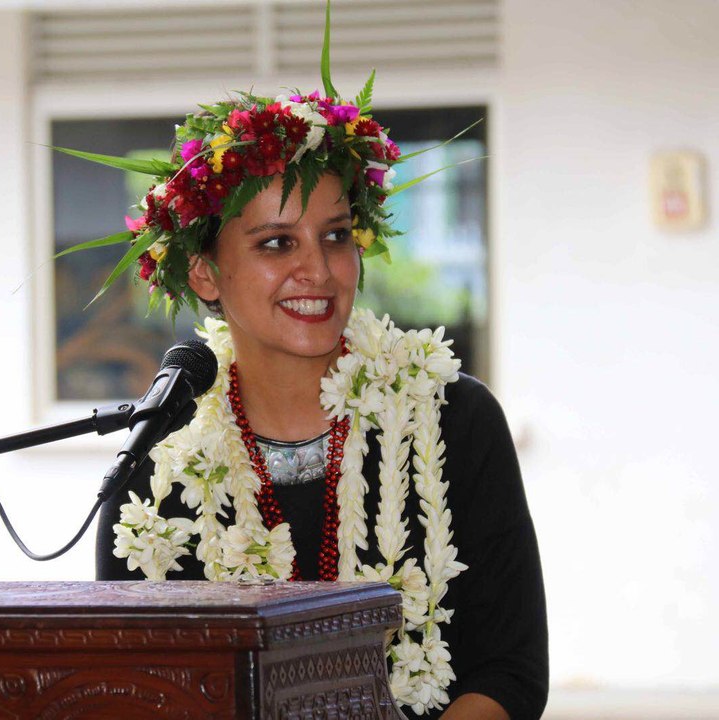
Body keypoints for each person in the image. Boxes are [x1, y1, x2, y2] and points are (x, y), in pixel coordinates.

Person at [64, 6, 548, 718]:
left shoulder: (453, 417)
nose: (316, 270)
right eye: (274, 244)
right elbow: (132, 688)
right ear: (204, 274)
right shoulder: (156, 456)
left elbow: (508, 670)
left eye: (335, 235)